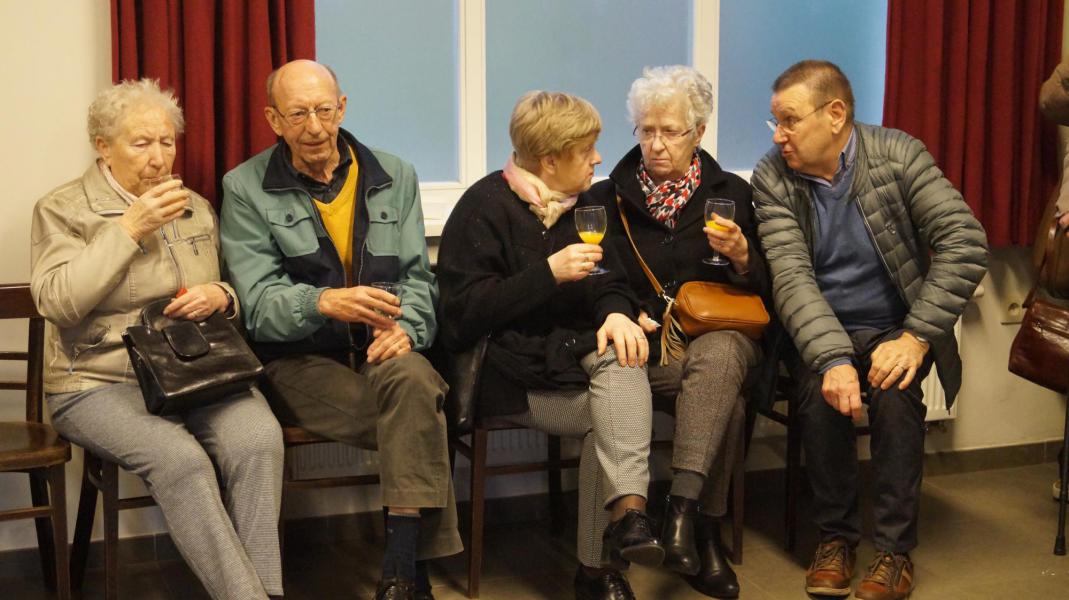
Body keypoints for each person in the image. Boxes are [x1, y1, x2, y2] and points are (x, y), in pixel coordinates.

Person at [30, 79, 283, 600]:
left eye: (166, 142)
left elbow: (225, 294)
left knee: (259, 439)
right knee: (181, 461)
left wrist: (219, 295)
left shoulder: (194, 206)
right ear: (103, 145)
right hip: (96, 383)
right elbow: (57, 302)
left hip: (193, 372)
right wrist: (129, 228)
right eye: (140, 143)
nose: (158, 158)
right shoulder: (61, 209)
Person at [219, 59, 460, 600]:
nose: (314, 127)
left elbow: (418, 279)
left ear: (343, 107)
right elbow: (255, 306)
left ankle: (397, 571)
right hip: (298, 360)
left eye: (324, 110)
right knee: (420, 416)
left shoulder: (395, 175)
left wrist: (411, 331)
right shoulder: (244, 187)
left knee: (416, 381)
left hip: (380, 346)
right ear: (273, 119)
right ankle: (411, 569)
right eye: (298, 113)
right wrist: (323, 301)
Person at [752, 60, 988, 600]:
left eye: (788, 120)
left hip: (894, 325)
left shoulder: (899, 154)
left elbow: (965, 242)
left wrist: (916, 335)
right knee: (818, 393)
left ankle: (893, 552)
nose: (779, 135)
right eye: (775, 123)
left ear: (835, 115)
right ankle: (835, 539)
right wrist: (833, 358)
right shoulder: (773, 176)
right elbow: (791, 278)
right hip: (821, 328)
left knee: (895, 391)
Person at [437, 91, 662, 600]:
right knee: (607, 420)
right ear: (551, 160)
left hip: (571, 353)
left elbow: (610, 277)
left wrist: (616, 314)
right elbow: (461, 318)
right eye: (588, 151)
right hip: (507, 371)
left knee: (624, 355)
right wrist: (547, 274)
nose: (599, 160)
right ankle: (598, 571)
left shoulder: (587, 205)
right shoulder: (483, 207)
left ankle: (629, 516)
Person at [585, 65, 769, 600]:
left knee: (726, 348)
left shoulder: (733, 192)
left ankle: (683, 514)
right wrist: (621, 312)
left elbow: (764, 285)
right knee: (726, 403)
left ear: (699, 133)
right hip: (647, 354)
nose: (657, 144)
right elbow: (599, 279)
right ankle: (700, 531)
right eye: (646, 130)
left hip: (718, 341)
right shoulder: (604, 196)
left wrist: (742, 260)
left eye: (671, 131)